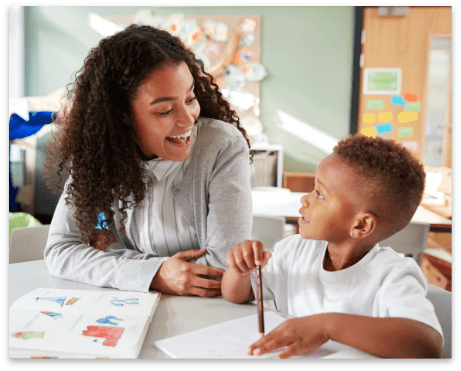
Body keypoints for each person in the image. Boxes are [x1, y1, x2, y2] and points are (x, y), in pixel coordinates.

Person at [44, 24, 253, 297]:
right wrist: (156, 274)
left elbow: (223, 267)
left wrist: (111, 257)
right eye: (165, 110)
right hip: (125, 309)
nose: (188, 119)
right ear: (121, 115)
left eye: (190, 98)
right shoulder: (99, 154)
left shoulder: (221, 145)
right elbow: (61, 250)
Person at [222, 134, 443, 359]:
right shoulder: (294, 251)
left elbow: (427, 346)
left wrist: (327, 325)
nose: (305, 200)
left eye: (319, 194)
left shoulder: (392, 274)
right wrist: (239, 270)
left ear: (361, 225)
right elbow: (238, 295)